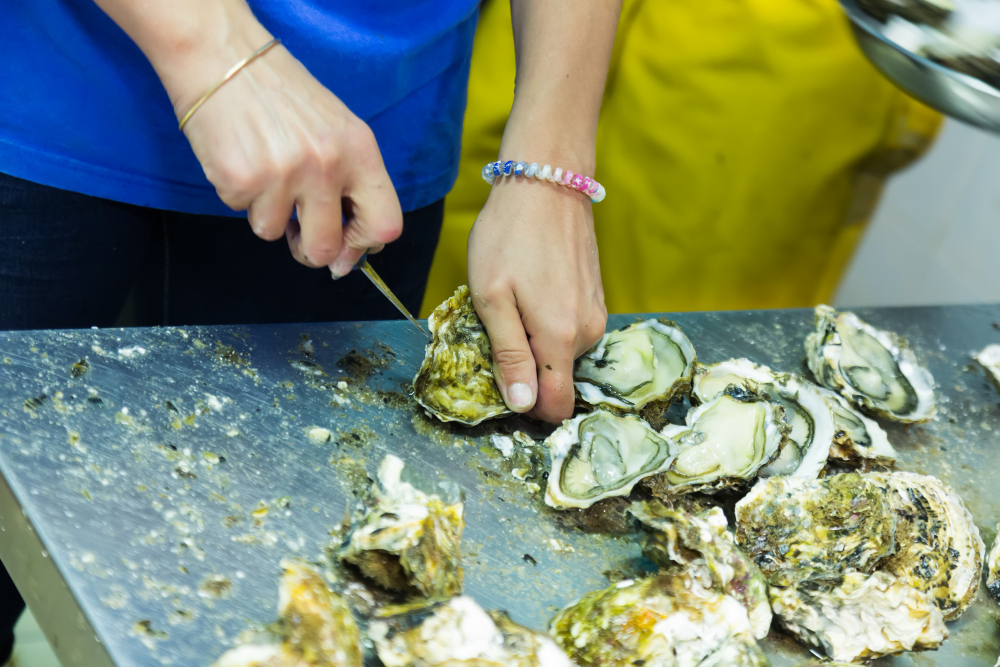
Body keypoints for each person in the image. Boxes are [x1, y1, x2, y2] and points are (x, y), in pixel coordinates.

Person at [0, 0, 622, 662]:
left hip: (370, 149)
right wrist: (212, 44)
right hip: (47, 91)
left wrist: (550, 169)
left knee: (291, 616)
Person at [424, 0, 943, 316]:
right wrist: (549, 169)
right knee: (470, 205)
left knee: (675, 311)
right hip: (547, 19)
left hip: (779, 30)